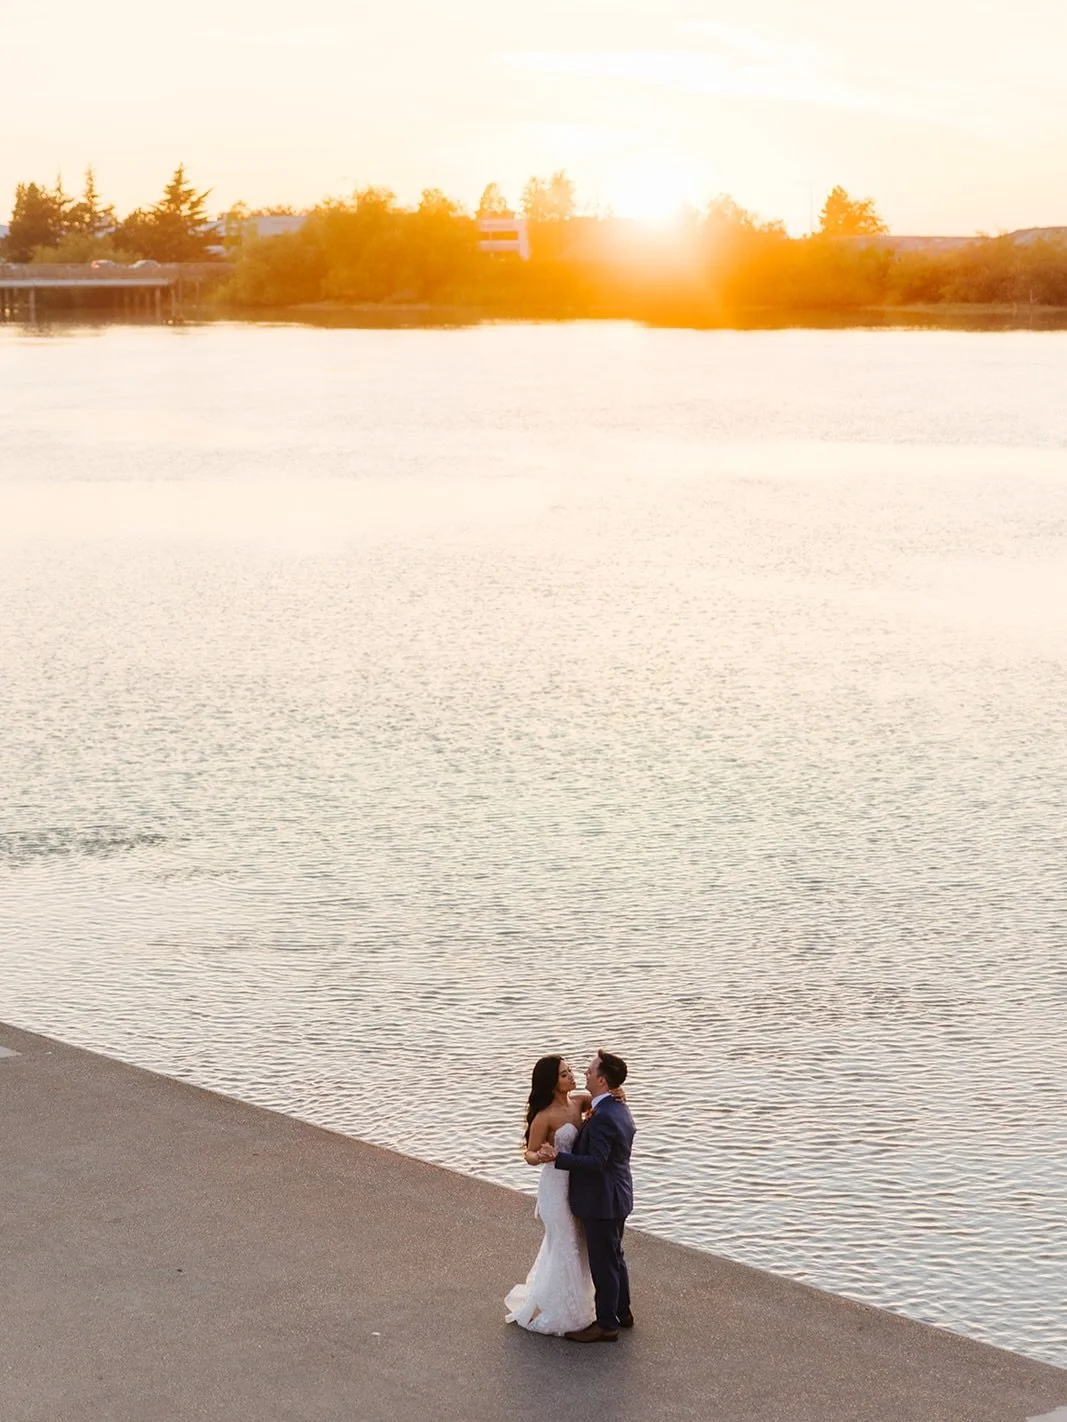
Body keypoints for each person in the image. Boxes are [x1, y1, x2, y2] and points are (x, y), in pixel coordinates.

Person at [537, 1049, 636, 1343]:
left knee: (604, 1261)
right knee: (615, 1255)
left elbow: (597, 1162)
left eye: (591, 1072)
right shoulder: (616, 1108)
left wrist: (558, 1158)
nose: (585, 1075)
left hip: (602, 1199)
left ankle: (606, 1324)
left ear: (603, 1081)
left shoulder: (605, 1115)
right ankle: (623, 1311)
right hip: (618, 1194)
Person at [504, 1055, 596, 1335]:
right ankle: (563, 1312)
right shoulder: (544, 1116)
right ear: (552, 1083)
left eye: (570, 1071)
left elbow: (601, 1099)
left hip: (577, 1184)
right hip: (555, 1188)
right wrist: (540, 1155)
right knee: (565, 1243)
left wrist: (617, 1093)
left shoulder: (580, 1101)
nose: (571, 1076)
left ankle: (579, 1302)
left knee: (578, 1243)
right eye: (564, 1074)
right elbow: (528, 1153)